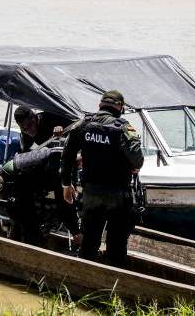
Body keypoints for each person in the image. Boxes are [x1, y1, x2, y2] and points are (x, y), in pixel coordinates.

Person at [60, 90, 144, 266]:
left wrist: (66, 184)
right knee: (117, 243)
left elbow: (67, 155)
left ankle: (84, 279)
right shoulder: (123, 128)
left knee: (89, 240)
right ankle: (112, 283)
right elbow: (138, 160)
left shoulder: (84, 124)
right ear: (120, 107)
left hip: (91, 193)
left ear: (100, 105)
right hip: (118, 195)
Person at [0, 146, 81, 247]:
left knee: (25, 222)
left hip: (18, 182)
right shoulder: (63, 163)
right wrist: (75, 231)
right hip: (10, 181)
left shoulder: (64, 156)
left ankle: (17, 246)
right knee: (30, 227)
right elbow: (64, 202)